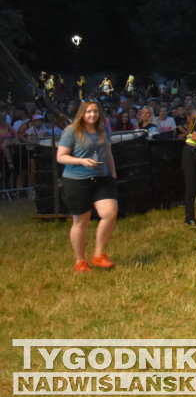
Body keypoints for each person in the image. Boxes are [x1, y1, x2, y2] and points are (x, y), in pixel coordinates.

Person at [56, 100, 118, 273]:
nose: (92, 115)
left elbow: (109, 154)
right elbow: (61, 156)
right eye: (89, 112)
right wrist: (82, 161)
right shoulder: (72, 131)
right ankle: (80, 261)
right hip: (77, 180)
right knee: (81, 221)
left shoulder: (103, 129)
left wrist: (113, 175)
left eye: (95, 112)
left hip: (102, 178)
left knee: (110, 213)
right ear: (82, 113)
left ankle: (99, 254)